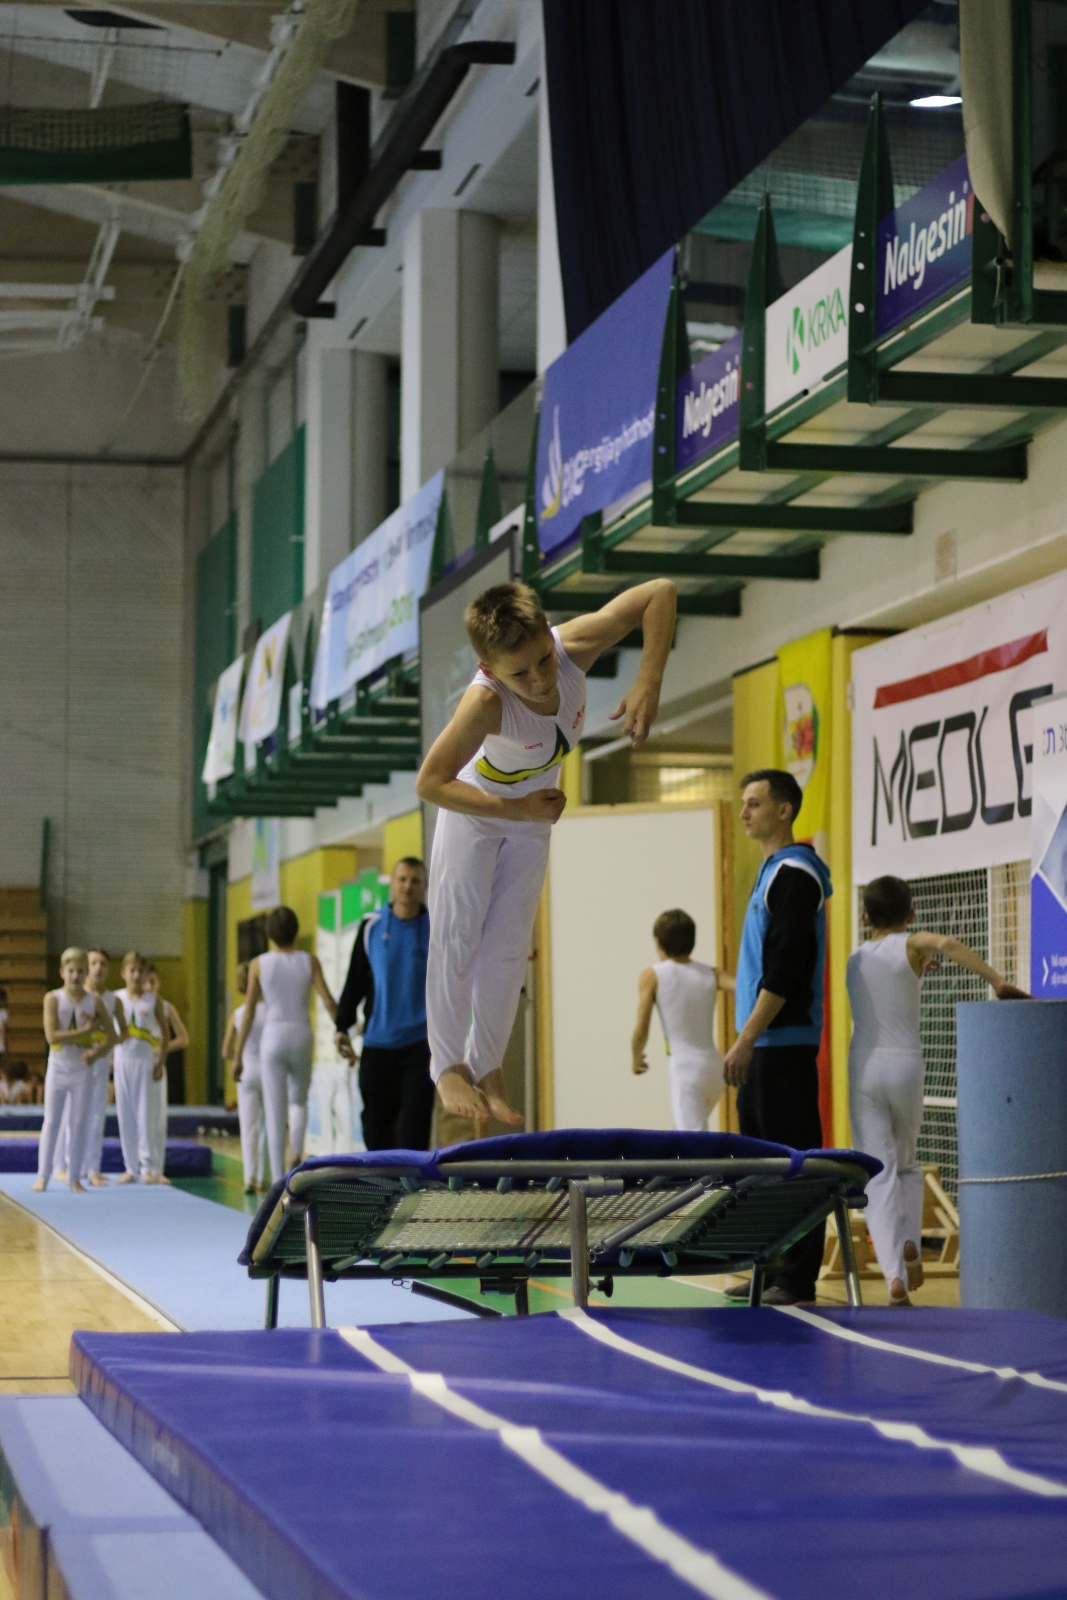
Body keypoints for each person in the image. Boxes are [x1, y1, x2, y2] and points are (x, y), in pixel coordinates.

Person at [416, 577, 677, 1125]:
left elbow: (661, 592)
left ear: (548, 633)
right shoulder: (486, 702)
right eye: (519, 673)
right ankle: (448, 1065)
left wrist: (648, 679)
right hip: (478, 811)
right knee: (460, 934)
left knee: (509, 947)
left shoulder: (573, 648)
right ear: (489, 669)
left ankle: (489, 1065)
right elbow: (431, 782)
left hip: (533, 814)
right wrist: (514, 810)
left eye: (542, 659)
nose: (538, 679)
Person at [847, 874, 1027, 1307]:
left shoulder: (854, 959)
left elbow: (884, 983)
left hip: (862, 1068)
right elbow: (945, 943)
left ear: (865, 917)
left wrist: (914, 969)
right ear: (910, 915)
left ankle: (894, 1274)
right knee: (908, 1165)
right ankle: (910, 1242)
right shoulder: (912, 946)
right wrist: (996, 981)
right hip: (905, 1066)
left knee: (878, 1174)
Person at [723, 769, 833, 1305]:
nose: (744, 812)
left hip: (782, 1046)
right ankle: (767, 1267)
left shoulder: (796, 874)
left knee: (796, 1166)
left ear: (783, 810)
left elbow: (787, 971)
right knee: (763, 1171)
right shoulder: (771, 872)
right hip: (764, 1047)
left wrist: (746, 1038)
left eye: (754, 803)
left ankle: (797, 1277)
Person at [233, 906, 338, 1183]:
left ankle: (279, 1179)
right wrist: (344, 1031)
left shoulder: (259, 964)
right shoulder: (309, 961)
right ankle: (296, 1151)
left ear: (270, 934)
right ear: (296, 931)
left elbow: (249, 1011)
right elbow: (328, 1001)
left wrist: (238, 1055)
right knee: (299, 1100)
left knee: (275, 1109)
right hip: (302, 1033)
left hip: (274, 1037)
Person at [334, 857, 433, 1151]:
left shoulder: (435, 928)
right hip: (378, 1043)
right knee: (376, 1129)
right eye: (402, 879)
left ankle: (414, 1181)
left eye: (415, 881)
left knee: (415, 1131)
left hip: (419, 1045)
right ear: (392, 883)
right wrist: (342, 1026)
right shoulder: (372, 926)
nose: (407, 887)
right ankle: (381, 1179)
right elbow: (355, 979)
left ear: (424, 887)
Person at [631, 908, 735, 1131]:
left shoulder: (652, 975)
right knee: (678, 1133)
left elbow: (641, 1027)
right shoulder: (712, 973)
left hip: (685, 1070)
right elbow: (741, 987)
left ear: (658, 944)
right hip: (715, 1068)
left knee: (692, 1143)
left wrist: (636, 1057)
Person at [32, 948, 115, 1193]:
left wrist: (97, 1053)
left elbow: (112, 1036)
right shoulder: (53, 998)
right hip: (58, 1068)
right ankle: (43, 1176)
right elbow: (51, 1037)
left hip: (82, 1070)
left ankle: (74, 1178)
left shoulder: (94, 1002)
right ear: (62, 972)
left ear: (86, 974)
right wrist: (84, 1033)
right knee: (52, 1121)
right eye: (71, 971)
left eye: (80, 971)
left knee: (79, 1123)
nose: (76, 976)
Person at [55, 947, 121, 1187]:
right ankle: (63, 1165)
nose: (98, 968)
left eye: (103, 964)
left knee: (95, 1115)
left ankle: (92, 1168)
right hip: (73, 1060)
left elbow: (120, 1033)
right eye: (94, 963)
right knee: (69, 1114)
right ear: (86, 968)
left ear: (108, 970)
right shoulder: (73, 997)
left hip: (99, 1061)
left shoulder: (112, 999)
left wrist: (102, 1050)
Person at [113, 951, 169, 1184]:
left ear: (145, 974)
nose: (136, 975)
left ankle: (147, 1167)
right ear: (123, 973)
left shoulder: (153, 1000)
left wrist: (161, 1063)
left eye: (140, 971)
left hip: (145, 1061)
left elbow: (165, 1035)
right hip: (121, 1060)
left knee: (145, 1114)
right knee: (125, 1114)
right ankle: (130, 1168)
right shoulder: (115, 999)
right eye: (132, 970)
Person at [143, 965, 190, 1186]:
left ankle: (157, 1169)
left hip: (157, 1064)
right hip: (135, 1063)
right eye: (145, 982)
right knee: (138, 1116)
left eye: (153, 982)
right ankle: (140, 1167)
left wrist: (161, 1048)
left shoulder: (166, 1007)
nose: (149, 986)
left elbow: (183, 1038)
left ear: (159, 983)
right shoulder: (131, 1005)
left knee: (157, 1117)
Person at [224, 962, 267, 1194]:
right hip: (269, 1073)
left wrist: (240, 1057)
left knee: (248, 1127)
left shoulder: (238, 1014)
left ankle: (249, 1177)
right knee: (267, 1127)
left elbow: (225, 1051)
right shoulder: (271, 1011)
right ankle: (264, 1179)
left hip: (247, 1072)